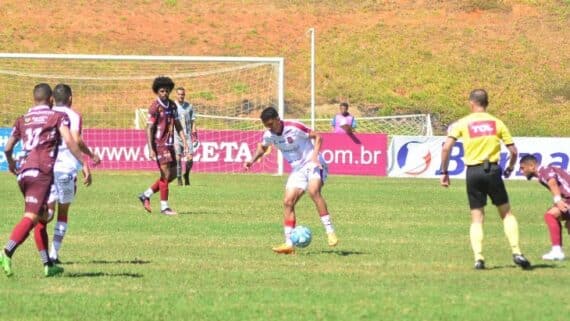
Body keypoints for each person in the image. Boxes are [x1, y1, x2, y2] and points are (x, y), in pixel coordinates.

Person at [439, 89, 531, 270]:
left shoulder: (463, 123)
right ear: (486, 103)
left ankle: (479, 258)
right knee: (506, 214)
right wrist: (511, 167)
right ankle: (517, 252)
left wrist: (444, 172)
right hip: (493, 170)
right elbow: (513, 151)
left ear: (471, 103)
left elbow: (446, 147)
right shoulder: (497, 123)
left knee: (477, 218)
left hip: (473, 172)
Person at [0, 83, 84, 277]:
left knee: (42, 216)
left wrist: (11, 163)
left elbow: (7, 148)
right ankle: (6, 251)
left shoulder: (23, 119)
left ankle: (48, 264)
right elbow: (70, 140)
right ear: (51, 100)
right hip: (41, 172)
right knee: (32, 217)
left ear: (33, 99)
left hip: (23, 173)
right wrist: (84, 163)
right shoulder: (56, 116)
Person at [244, 107, 338, 254]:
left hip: (313, 163)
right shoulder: (269, 134)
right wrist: (252, 160)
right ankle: (289, 244)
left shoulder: (294, 127)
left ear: (277, 119)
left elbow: (318, 137)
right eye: (266, 126)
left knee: (313, 191)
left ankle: (330, 231)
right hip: (297, 169)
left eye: (270, 124)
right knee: (288, 202)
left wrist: (314, 156)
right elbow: (263, 147)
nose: (269, 128)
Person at [46, 83, 101, 263]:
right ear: (70, 98)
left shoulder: (46, 113)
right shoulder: (73, 115)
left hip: (46, 167)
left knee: (47, 212)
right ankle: (53, 253)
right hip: (66, 168)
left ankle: (35, 241)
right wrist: (89, 156)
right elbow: (76, 139)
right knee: (63, 212)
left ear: (53, 98)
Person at [138, 77, 189, 215]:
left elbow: (177, 123)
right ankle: (164, 207)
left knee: (172, 175)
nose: (164, 93)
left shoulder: (172, 105)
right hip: (159, 144)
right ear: (157, 92)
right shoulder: (155, 107)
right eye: (161, 91)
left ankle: (146, 195)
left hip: (170, 144)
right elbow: (149, 128)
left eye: (167, 91)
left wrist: (184, 139)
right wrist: (150, 148)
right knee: (165, 174)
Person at [519, 154, 570, 261]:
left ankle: (557, 251)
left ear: (532, 166)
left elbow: (552, 182)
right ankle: (557, 250)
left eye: (523, 168)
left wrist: (558, 200)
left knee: (550, 215)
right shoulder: (542, 174)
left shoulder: (544, 170)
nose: (521, 171)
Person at [173, 87, 197, 186]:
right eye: (179, 94)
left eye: (182, 94)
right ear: (176, 95)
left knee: (190, 158)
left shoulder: (189, 106)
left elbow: (192, 121)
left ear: (184, 95)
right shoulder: (172, 106)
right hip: (176, 135)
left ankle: (186, 175)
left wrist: (194, 133)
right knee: (178, 158)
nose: (181, 96)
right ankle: (179, 178)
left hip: (187, 136)